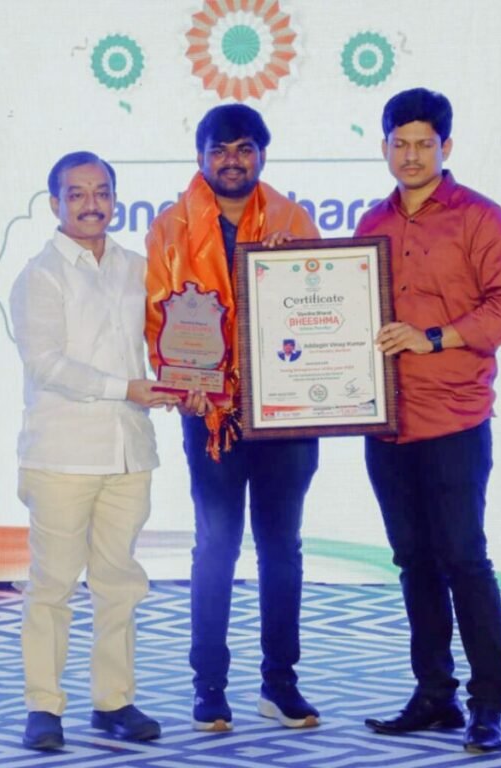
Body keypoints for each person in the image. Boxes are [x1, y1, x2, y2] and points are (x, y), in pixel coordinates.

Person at [145, 104, 321, 732]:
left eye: (245, 148)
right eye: (219, 149)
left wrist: (293, 267)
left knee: (282, 548)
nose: (232, 161)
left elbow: (322, 309)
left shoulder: (294, 219)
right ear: (200, 156)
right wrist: (181, 382)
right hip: (211, 414)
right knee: (216, 546)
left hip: (286, 413)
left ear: (262, 155)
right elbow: (158, 319)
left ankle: (280, 684)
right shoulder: (170, 228)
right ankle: (209, 688)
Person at [353, 87, 501, 753]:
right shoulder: (370, 224)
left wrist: (435, 337)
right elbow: (343, 308)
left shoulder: (480, 218)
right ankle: (434, 694)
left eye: (425, 143)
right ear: (384, 146)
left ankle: (490, 704)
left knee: (464, 560)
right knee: (413, 562)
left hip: (454, 420)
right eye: (401, 143)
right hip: (386, 423)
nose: (412, 155)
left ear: (446, 147)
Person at [11, 151, 179, 750]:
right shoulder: (40, 275)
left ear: (115, 199)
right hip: (61, 456)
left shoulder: (137, 267)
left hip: (129, 451)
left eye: (101, 192)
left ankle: (114, 702)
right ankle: (43, 707)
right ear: (54, 203)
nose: (91, 204)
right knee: (52, 585)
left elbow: (170, 335)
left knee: (120, 584)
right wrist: (125, 388)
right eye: (77, 193)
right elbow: (47, 364)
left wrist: (189, 377)